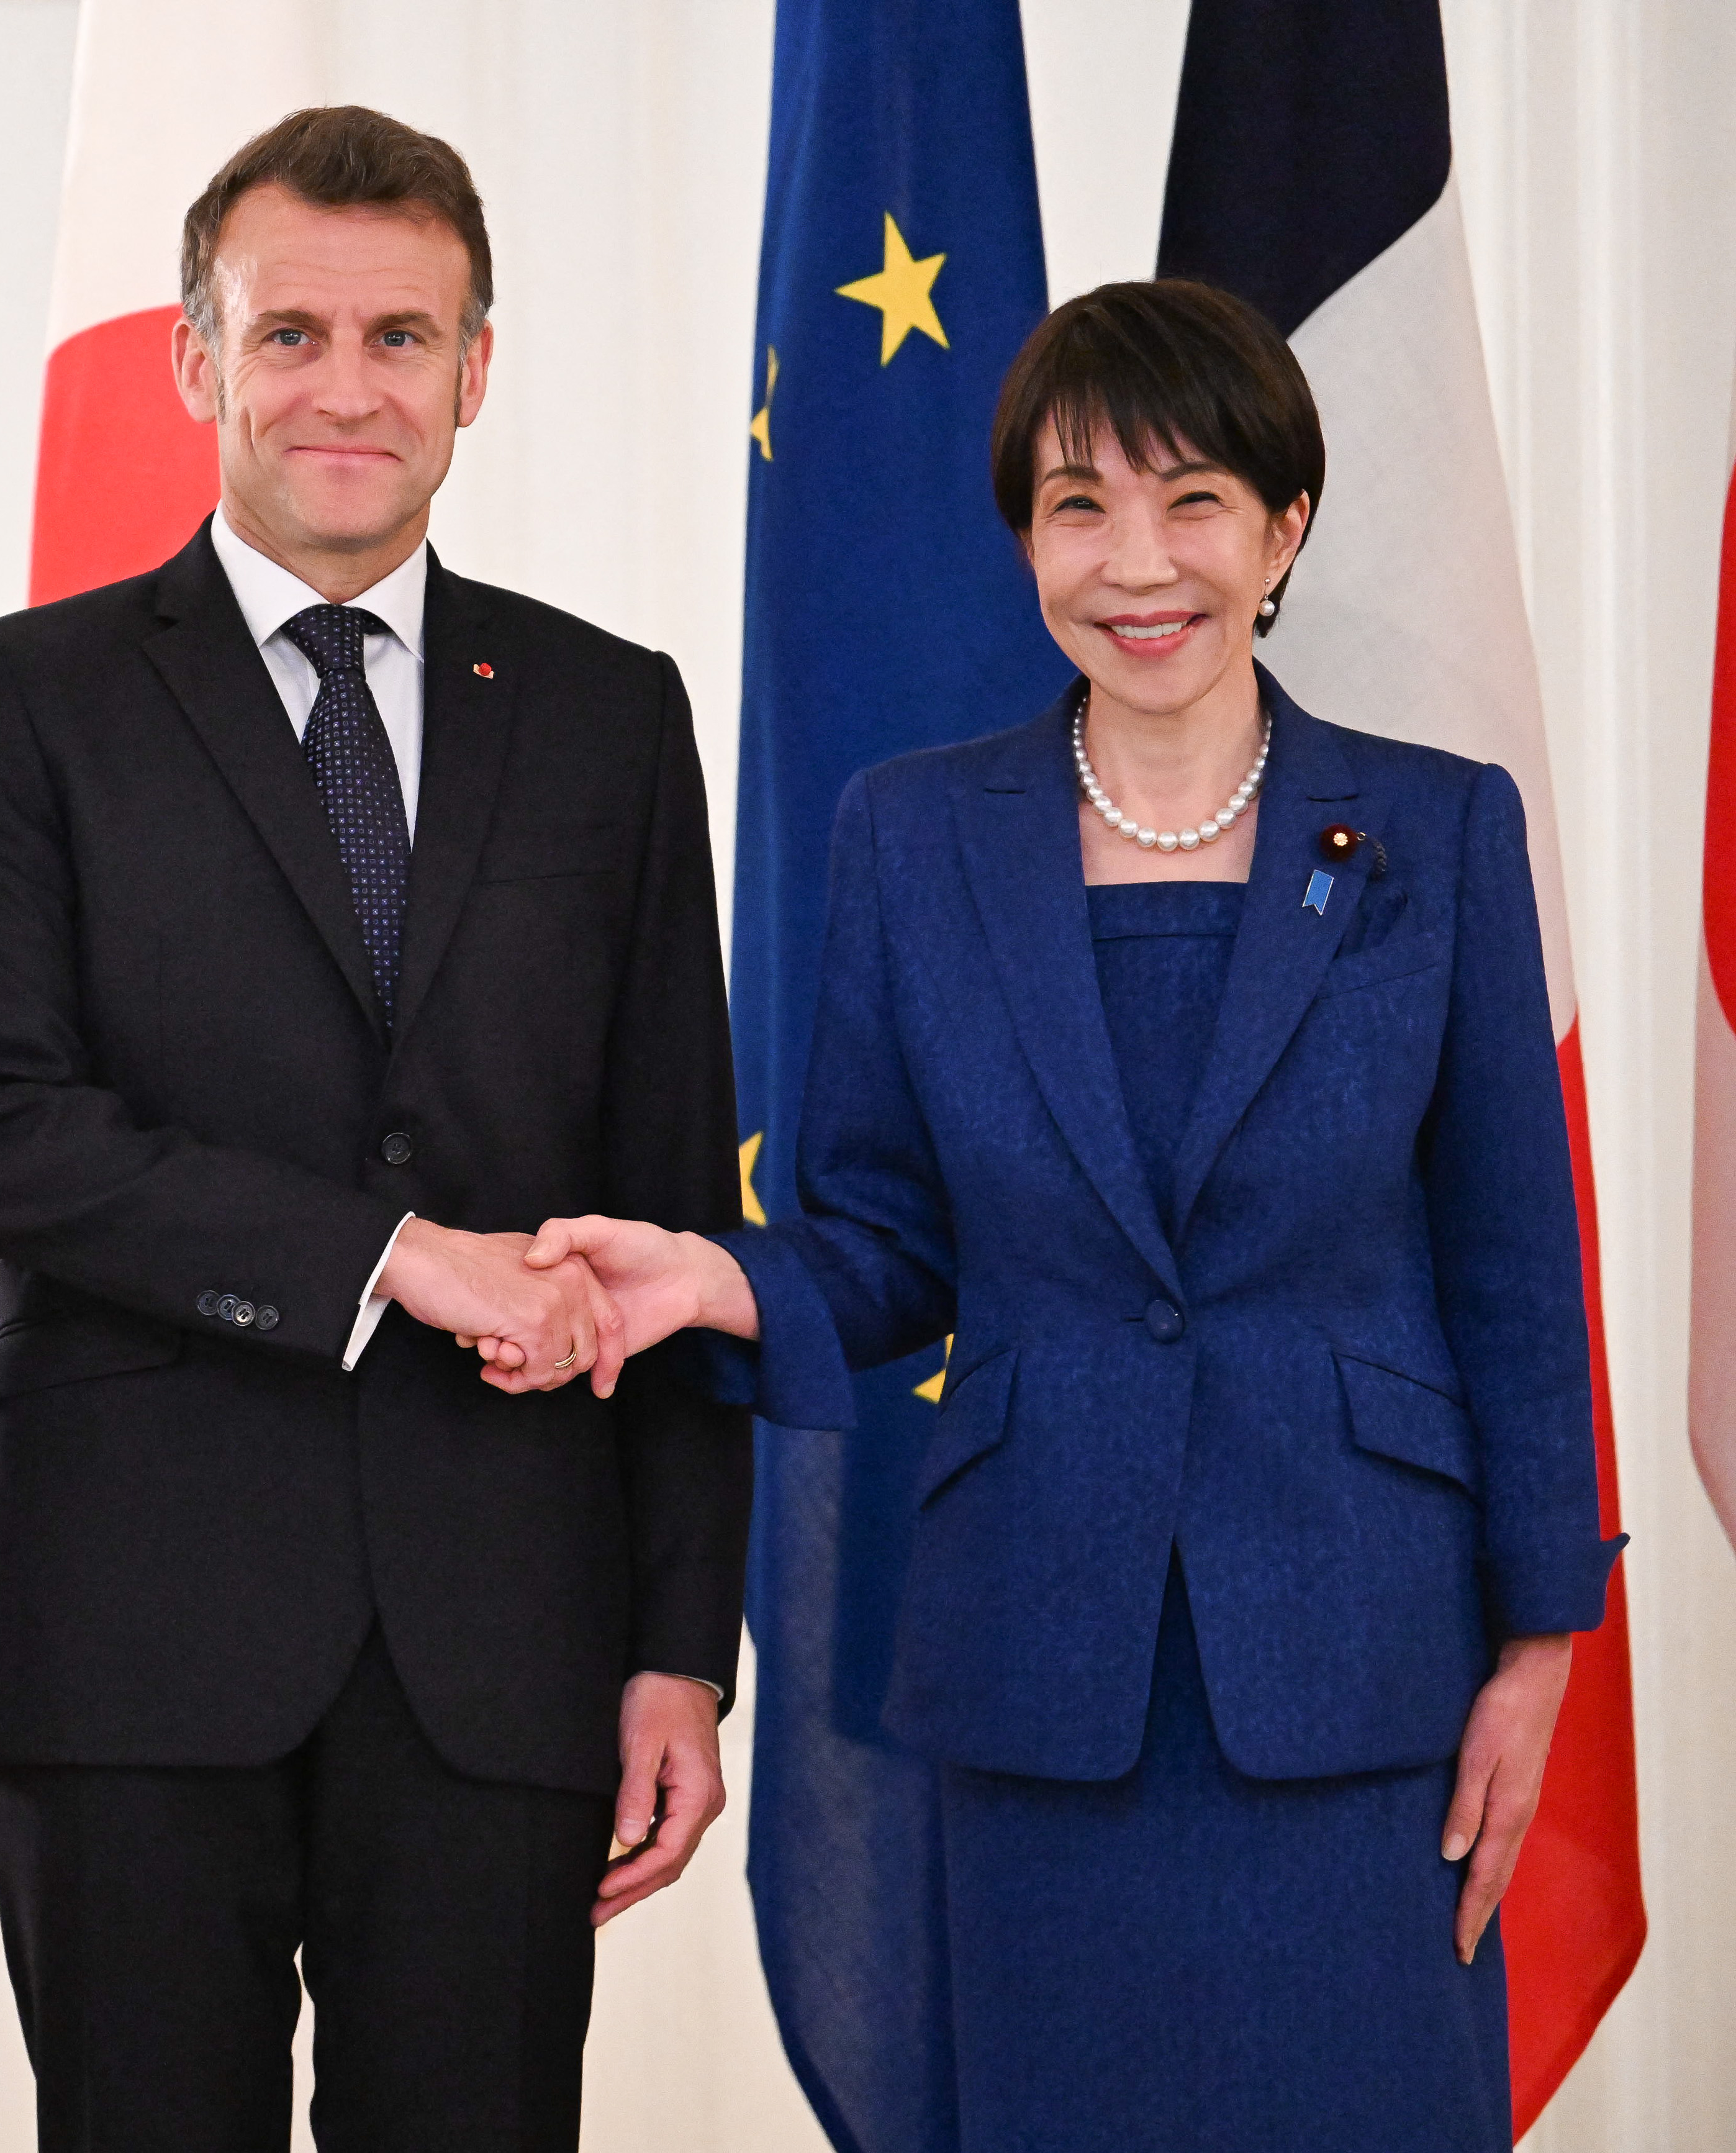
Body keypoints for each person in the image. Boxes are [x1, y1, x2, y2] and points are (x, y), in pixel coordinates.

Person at [493, 280, 1624, 2150]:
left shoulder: (1439, 832)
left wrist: (1539, 1638)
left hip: (1365, 1676)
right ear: (1024, 532)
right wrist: (711, 1273)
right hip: (1041, 1663)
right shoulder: (912, 832)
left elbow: (1513, 1261)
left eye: (1194, 500)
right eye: (1079, 504)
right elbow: (881, 1242)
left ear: (1286, 529)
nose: (1137, 561)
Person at [0, 107, 750, 2151]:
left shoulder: (616, 717)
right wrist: (390, 1261)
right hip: (125, 1632)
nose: (345, 388)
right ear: (197, 359)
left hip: (506, 1641)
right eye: (289, 335)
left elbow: (673, 1187)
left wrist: (677, 1650)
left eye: (399, 336)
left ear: (475, 368)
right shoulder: (22, 700)